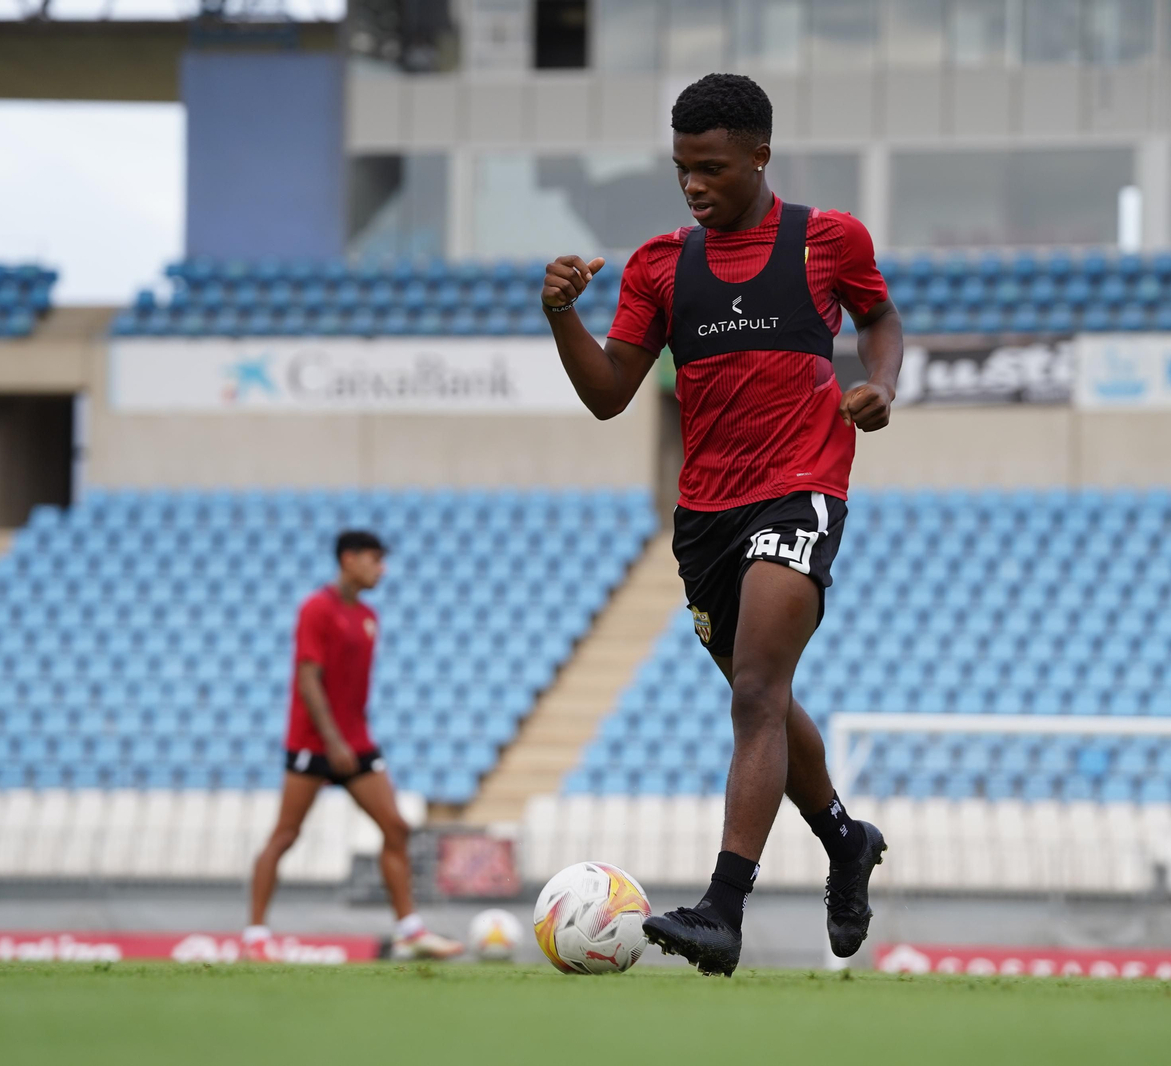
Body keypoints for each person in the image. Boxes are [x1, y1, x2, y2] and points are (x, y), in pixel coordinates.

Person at [540, 74, 903, 976]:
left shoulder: (829, 239)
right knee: (764, 698)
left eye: (709, 168)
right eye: (680, 169)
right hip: (705, 517)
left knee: (753, 692)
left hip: (802, 486)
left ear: (758, 156)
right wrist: (560, 318)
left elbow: (881, 317)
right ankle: (845, 840)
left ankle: (722, 910)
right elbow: (608, 395)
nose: (692, 185)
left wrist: (882, 386)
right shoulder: (662, 266)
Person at [245, 530, 463, 962]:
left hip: (356, 742)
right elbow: (309, 678)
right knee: (285, 836)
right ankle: (255, 935)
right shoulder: (316, 609)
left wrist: (347, 740)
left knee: (396, 828)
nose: (381, 569)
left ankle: (409, 931)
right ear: (349, 560)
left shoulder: (368, 617)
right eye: (374, 560)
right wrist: (331, 741)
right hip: (314, 742)